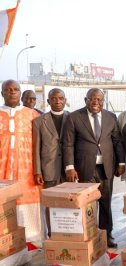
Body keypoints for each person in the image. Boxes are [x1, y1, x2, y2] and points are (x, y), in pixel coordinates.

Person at [62, 88, 125, 248]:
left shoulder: (111, 117)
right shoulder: (74, 117)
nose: (96, 102)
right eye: (92, 99)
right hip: (84, 167)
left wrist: (121, 163)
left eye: (99, 100)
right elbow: (68, 144)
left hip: (106, 167)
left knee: (106, 202)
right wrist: (69, 167)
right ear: (86, 100)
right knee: (88, 203)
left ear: (103, 101)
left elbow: (117, 141)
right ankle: (88, 234)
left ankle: (106, 235)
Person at [0, 80, 43, 243]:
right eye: (8, 90)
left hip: (26, 168)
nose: (12, 92)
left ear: (20, 93)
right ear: (2, 93)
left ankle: (31, 239)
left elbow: (41, 145)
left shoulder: (32, 115)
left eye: (15, 89)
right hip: (2, 169)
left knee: (27, 200)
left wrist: (39, 170)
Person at [32, 88, 69, 237]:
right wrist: (37, 171)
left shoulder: (73, 118)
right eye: (54, 99)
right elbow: (36, 148)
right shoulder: (39, 122)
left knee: (68, 202)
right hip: (49, 169)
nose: (58, 101)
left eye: (61, 98)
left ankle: (67, 232)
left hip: (67, 169)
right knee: (50, 203)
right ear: (48, 101)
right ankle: (52, 234)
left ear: (65, 100)